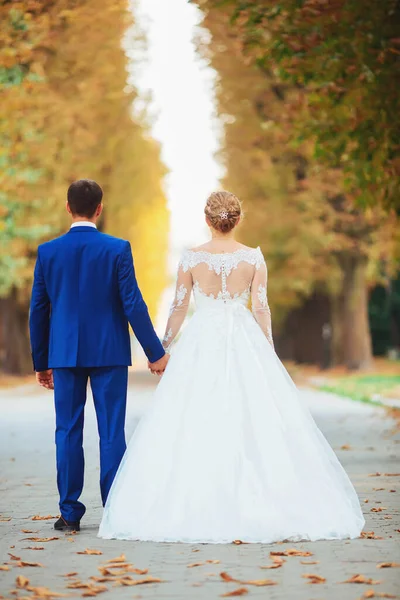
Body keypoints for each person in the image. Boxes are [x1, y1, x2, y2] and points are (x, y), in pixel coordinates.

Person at [98, 190, 365, 544]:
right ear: (237, 220)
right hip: (243, 340)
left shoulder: (191, 258)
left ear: (207, 220)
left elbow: (179, 308)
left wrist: (161, 349)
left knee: (192, 415)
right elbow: (261, 307)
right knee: (252, 412)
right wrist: (267, 347)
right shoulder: (253, 258)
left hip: (201, 340)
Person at [29, 179, 169, 532]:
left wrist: (40, 361)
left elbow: (38, 310)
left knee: (67, 431)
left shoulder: (48, 252)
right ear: (99, 208)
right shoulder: (117, 249)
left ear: (67, 207)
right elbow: (133, 303)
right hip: (109, 352)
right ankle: (114, 509)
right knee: (111, 431)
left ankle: (70, 513)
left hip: (63, 355)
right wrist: (155, 352)